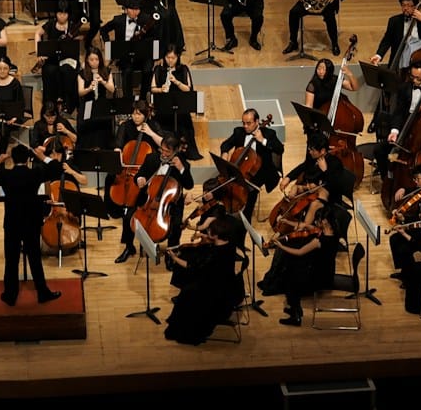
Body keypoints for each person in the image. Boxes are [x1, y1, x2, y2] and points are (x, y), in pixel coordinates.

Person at [0, 144, 65, 306]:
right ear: (28, 159)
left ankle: (10, 295)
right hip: (31, 221)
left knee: (11, 259)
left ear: (13, 159)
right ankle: (43, 293)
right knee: (35, 258)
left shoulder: (6, 175)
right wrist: (42, 156)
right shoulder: (35, 173)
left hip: (12, 222)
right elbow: (57, 168)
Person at [162, 215, 246, 345]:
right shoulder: (230, 244)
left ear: (216, 235)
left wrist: (174, 257)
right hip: (228, 283)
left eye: (209, 231)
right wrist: (206, 237)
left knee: (186, 293)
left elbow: (191, 266)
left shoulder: (214, 256)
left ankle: (184, 329)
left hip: (215, 291)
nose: (206, 232)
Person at [117, 136, 193, 262]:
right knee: (128, 217)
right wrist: (139, 179)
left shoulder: (182, 164)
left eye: (167, 152)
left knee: (175, 224)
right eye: (161, 149)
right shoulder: (151, 158)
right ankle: (129, 247)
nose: (163, 153)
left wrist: (181, 169)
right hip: (148, 199)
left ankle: (171, 253)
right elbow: (139, 175)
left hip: (169, 204)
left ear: (175, 151)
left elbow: (189, 184)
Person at [262, 207, 339, 327]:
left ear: (324, 222)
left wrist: (281, 246)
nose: (316, 222)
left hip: (319, 276)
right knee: (293, 266)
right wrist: (288, 222)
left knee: (291, 276)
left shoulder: (319, 241)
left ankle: (296, 315)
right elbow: (307, 226)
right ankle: (294, 307)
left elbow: (299, 252)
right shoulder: (333, 233)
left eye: (318, 220)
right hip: (326, 270)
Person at [375, 61, 421, 181]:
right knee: (379, 150)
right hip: (405, 129)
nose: (413, 80)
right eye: (412, 76)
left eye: (417, 78)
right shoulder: (404, 87)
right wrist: (394, 131)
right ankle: (387, 179)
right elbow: (398, 112)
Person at [215, 108, 284, 215]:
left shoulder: (269, 133)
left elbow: (280, 149)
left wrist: (263, 140)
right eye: (243, 123)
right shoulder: (238, 132)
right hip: (240, 166)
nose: (245, 126)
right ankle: (221, 210)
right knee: (219, 182)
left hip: (261, 169)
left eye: (248, 123)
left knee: (251, 190)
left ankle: (247, 217)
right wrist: (224, 153)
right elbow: (226, 144)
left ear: (257, 121)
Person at [371, 0, 421, 70]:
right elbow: (387, 40)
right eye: (403, 5)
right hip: (401, 58)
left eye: (408, 5)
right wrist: (379, 55)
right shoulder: (394, 21)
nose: (405, 8)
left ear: (415, 6)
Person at [101, 0, 155, 97]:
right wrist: (109, 46)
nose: (136, 12)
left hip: (142, 55)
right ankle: (128, 99)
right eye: (133, 9)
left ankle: (143, 96)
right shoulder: (118, 20)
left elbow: (154, 37)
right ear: (126, 10)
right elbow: (103, 30)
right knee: (127, 71)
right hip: (125, 55)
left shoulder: (146, 20)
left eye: (138, 9)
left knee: (148, 69)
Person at [34, 5, 82, 112]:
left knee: (66, 70)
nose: (62, 16)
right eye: (60, 13)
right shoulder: (50, 24)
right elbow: (37, 33)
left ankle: (68, 104)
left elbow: (78, 42)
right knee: (49, 70)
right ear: (56, 14)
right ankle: (50, 103)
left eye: (65, 14)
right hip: (53, 58)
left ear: (68, 15)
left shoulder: (72, 26)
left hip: (69, 58)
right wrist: (39, 52)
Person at [148, 47, 196, 152]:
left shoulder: (183, 69)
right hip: (163, 106)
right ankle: (166, 146)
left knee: (183, 121)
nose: (170, 60)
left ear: (178, 57)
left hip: (180, 106)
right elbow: (152, 88)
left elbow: (188, 89)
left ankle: (183, 147)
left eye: (173, 58)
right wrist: (161, 89)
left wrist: (176, 82)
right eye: (168, 57)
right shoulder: (158, 69)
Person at [75, 48, 116, 152]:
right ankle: (88, 148)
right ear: (87, 61)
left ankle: (105, 148)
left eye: (96, 59)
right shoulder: (82, 73)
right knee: (88, 122)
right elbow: (80, 92)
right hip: (88, 103)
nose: (94, 62)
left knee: (105, 121)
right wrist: (89, 88)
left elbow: (111, 89)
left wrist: (102, 81)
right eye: (91, 60)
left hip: (102, 102)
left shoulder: (106, 71)